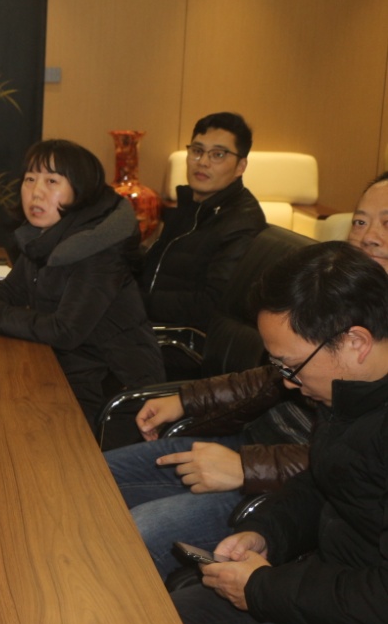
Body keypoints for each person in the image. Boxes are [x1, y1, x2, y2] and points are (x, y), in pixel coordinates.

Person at [108, 173, 388, 577]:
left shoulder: (368, 344)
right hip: (254, 446)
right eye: (360, 221)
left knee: (134, 535)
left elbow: (350, 470)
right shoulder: (329, 293)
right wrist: (188, 398)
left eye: (386, 223)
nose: (369, 237)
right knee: (97, 481)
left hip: (282, 487)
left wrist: (247, 468)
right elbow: (273, 374)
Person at [171, 241, 388, 624]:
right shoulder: (349, 393)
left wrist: (263, 589)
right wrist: (267, 533)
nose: (288, 382)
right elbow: (324, 483)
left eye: (291, 365)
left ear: (356, 342)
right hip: (318, 587)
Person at [0, 139, 164, 419]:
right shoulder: (46, 235)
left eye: (52, 181)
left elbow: (64, 330)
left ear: (80, 190)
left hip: (114, 391)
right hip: (63, 367)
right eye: (30, 179)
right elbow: (10, 293)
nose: (36, 192)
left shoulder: (99, 250)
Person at [140, 112, 266, 335]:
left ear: (241, 166)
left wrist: (136, 300)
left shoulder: (241, 222)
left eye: (218, 155)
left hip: (178, 339)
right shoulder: (192, 206)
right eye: (197, 151)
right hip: (145, 325)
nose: (203, 162)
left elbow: (211, 305)